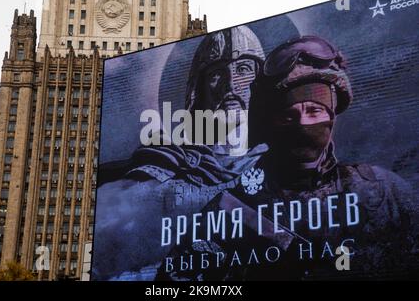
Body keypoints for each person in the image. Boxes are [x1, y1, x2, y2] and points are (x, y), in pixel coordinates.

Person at [157, 36, 419, 281]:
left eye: (315, 111)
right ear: (271, 123)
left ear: (332, 117)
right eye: (288, 117)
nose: (303, 124)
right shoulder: (231, 210)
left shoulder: (383, 190)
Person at [93, 26, 267, 281]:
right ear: (199, 88)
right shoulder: (160, 171)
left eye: (243, 70)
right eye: (217, 73)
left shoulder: (280, 167)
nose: (231, 84)